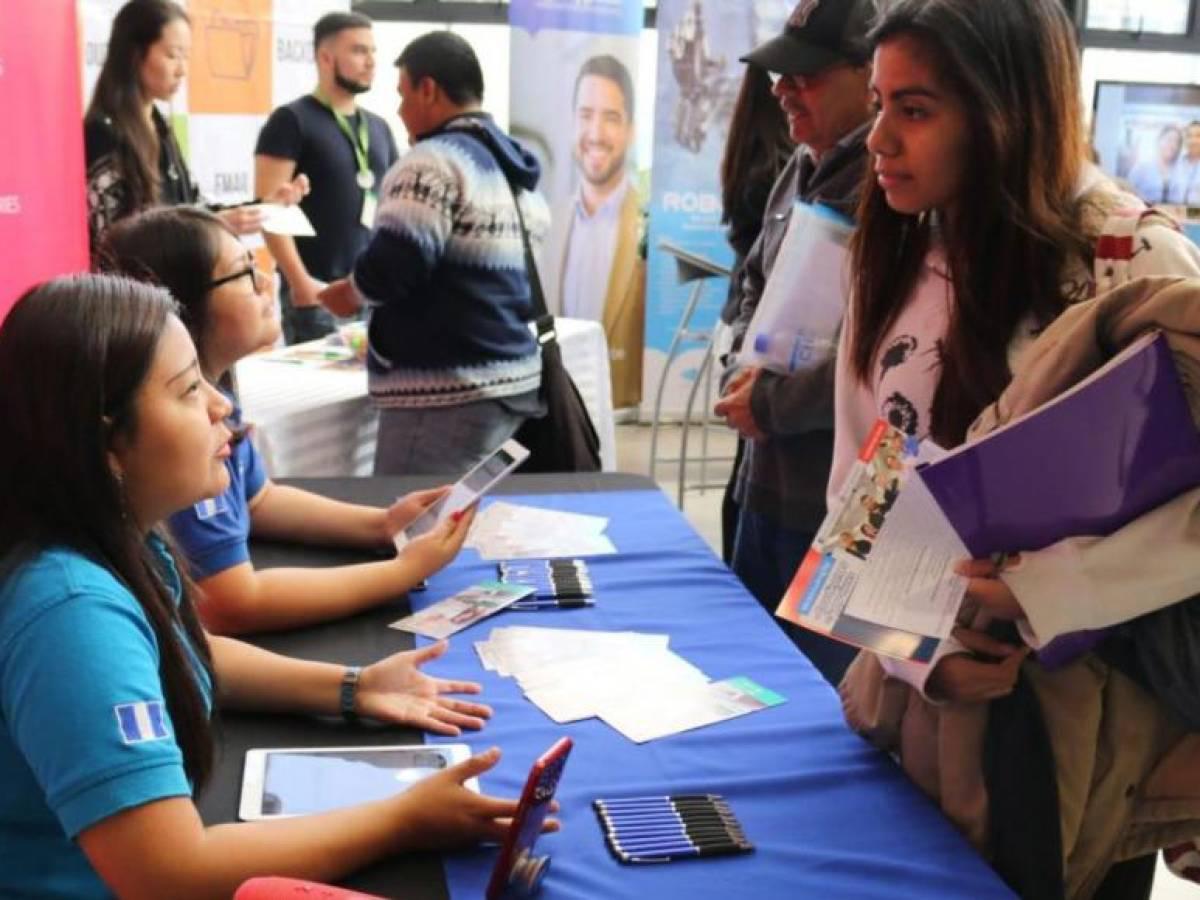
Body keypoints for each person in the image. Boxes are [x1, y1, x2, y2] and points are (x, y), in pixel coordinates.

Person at [0, 274, 552, 898]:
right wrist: (403, 818)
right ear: (108, 445)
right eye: (187, 391)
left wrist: (353, 686)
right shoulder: (71, 615)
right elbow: (169, 873)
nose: (222, 407)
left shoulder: (121, 536)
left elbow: (186, 651)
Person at [832, 1, 1200, 896]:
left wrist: (1052, 591)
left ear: (1008, 113)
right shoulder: (900, 247)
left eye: (914, 110)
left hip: (1082, 719)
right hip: (921, 706)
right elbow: (855, 498)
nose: (877, 138)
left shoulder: (1131, 257)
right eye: (879, 104)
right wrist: (912, 652)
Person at [98, 206, 473, 635]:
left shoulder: (217, 396)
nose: (267, 281)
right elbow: (228, 602)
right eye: (244, 273)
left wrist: (381, 525)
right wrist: (400, 574)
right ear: (180, 302)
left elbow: (258, 500)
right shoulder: (174, 440)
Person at [714, 0, 875, 685]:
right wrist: (741, 371)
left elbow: (888, 355)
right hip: (764, 483)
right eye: (782, 75)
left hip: (835, 503)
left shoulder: (891, 187)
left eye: (805, 77)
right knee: (751, 681)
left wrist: (776, 403)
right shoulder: (802, 168)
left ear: (869, 76)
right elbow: (749, 285)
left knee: (822, 703)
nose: (782, 91)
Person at [319, 31, 547, 476]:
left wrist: (349, 293)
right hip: (508, 380)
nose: (400, 111)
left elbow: (394, 264)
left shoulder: (431, 163)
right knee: (464, 525)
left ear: (429, 89)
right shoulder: (508, 164)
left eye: (403, 95)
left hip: (445, 393)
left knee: (414, 527)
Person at [84, 0, 305, 252]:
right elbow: (112, 242)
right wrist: (210, 226)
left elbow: (191, 209)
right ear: (134, 54)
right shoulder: (103, 134)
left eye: (186, 57)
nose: (182, 70)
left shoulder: (159, 125)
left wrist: (263, 207)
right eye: (172, 55)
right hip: (135, 290)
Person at [255, 11, 400, 345]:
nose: (371, 61)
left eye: (373, 51)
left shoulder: (378, 127)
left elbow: (392, 208)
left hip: (370, 290)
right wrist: (300, 281)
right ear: (325, 57)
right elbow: (270, 209)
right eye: (359, 51)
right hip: (317, 295)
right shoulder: (291, 120)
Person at [716, 63, 794, 563]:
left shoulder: (756, 157)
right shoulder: (786, 169)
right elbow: (758, 278)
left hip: (760, 353)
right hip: (767, 355)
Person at [543, 54, 645, 410]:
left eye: (611, 118)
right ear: (572, 122)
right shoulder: (547, 225)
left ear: (630, 130)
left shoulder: (648, 226)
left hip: (616, 409)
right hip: (556, 404)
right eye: (586, 115)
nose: (596, 133)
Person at [1126, 124, 1182, 205]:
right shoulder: (1142, 167)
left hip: (1171, 215)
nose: (1173, 145)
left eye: (1177, 142)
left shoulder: (1179, 170)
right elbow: (1127, 194)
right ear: (1159, 140)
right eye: (1169, 140)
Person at [1169, 120, 1200, 204]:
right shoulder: (1176, 163)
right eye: (1189, 136)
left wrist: (1188, 213)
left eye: (1198, 136)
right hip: (1173, 212)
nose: (1193, 141)